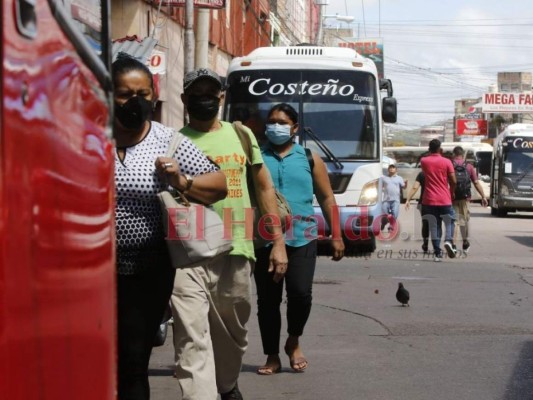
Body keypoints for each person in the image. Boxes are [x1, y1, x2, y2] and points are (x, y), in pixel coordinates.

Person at [112, 55, 227, 400]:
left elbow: (219, 183)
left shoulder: (167, 139)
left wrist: (182, 179)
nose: (136, 101)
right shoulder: (85, 135)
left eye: (144, 93)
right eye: (125, 94)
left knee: (133, 361)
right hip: (88, 271)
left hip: (147, 270)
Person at [170, 68, 288, 400]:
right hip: (188, 252)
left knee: (232, 334)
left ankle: (226, 385)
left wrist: (277, 242)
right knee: (191, 336)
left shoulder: (241, 137)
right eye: (197, 94)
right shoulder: (172, 141)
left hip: (237, 247)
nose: (205, 99)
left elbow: (264, 188)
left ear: (221, 98)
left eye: (211, 93)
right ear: (184, 100)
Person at [254, 103, 345, 376]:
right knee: (267, 301)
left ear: (294, 128)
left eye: (282, 122)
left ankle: (293, 341)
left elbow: (327, 197)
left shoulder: (309, 158)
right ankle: (271, 354)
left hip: (303, 236)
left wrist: (337, 234)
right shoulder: (256, 157)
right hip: (265, 238)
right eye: (271, 121)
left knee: (301, 294)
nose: (275, 126)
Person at [420, 139, 457, 262]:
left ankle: (437, 253)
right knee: (450, 221)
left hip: (429, 199)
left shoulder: (424, 161)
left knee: (434, 226)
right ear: (440, 148)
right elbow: (453, 180)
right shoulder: (447, 161)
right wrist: (451, 192)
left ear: (429, 149)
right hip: (444, 198)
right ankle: (448, 240)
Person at [451, 146, 489, 254]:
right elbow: (476, 183)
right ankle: (465, 242)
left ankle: (453, 245)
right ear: (463, 155)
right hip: (465, 198)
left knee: (454, 222)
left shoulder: (449, 165)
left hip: (451, 197)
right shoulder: (469, 167)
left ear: (454, 154)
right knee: (464, 221)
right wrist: (483, 197)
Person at [404, 170, 430, 253]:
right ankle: (437, 247)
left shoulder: (422, 173)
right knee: (437, 224)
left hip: (424, 202)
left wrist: (408, 199)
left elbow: (415, 187)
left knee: (425, 223)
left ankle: (425, 243)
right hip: (439, 202)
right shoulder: (441, 172)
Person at [379, 164, 406, 232]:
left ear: (396, 170)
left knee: (395, 214)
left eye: (393, 168)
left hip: (396, 200)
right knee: (384, 214)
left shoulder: (399, 178)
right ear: (388, 170)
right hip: (386, 199)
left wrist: (406, 183)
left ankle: (391, 227)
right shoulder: (384, 178)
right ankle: (384, 222)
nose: (391, 169)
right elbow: (380, 187)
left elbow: (404, 187)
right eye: (390, 168)